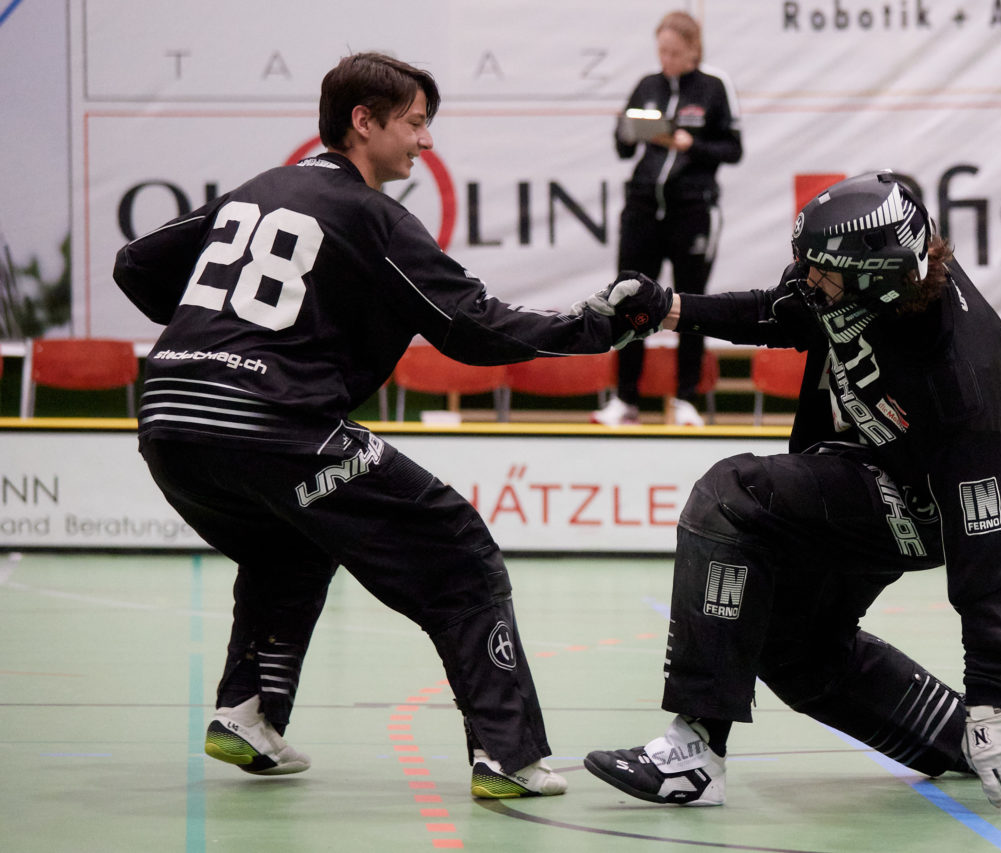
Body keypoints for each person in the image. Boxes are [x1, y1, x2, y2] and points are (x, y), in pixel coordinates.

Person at [112, 51, 669, 799]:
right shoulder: (371, 215)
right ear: (362, 122)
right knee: (462, 555)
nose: (426, 141)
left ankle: (246, 711)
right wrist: (595, 325)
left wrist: (211, 334)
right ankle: (507, 756)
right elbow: (472, 328)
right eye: (414, 122)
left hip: (168, 421)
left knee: (294, 541)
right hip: (272, 423)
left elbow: (136, 264)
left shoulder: (256, 192)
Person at [585, 172, 1001, 809]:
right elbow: (783, 312)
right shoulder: (873, 286)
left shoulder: (962, 370)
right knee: (794, 650)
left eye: (821, 271)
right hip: (861, 467)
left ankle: (693, 750)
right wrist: (667, 308)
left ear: (875, 277)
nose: (805, 278)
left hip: (917, 509)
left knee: (729, 495)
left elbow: (993, 543)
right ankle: (954, 740)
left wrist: (994, 699)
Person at [592, 10, 742, 428]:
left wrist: (690, 144)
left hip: (692, 208)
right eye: (662, 51)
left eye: (675, 52)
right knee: (627, 297)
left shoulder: (714, 87)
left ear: (694, 49)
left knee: (691, 301)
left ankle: (686, 399)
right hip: (642, 206)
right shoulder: (648, 85)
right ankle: (625, 400)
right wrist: (627, 131)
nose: (667, 60)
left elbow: (733, 149)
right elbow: (624, 147)